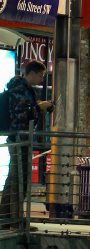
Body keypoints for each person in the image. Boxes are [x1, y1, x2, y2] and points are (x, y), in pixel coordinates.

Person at [0, 61, 52, 226]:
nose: (41, 79)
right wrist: (39, 108)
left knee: (13, 179)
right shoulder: (20, 90)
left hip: (17, 138)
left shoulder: (20, 89)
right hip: (19, 139)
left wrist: (38, 107)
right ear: (32, 73)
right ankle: (16, 220)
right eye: (41, 75)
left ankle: (5, 216)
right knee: (20, 180)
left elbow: (24, 109)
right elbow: (22, 114)